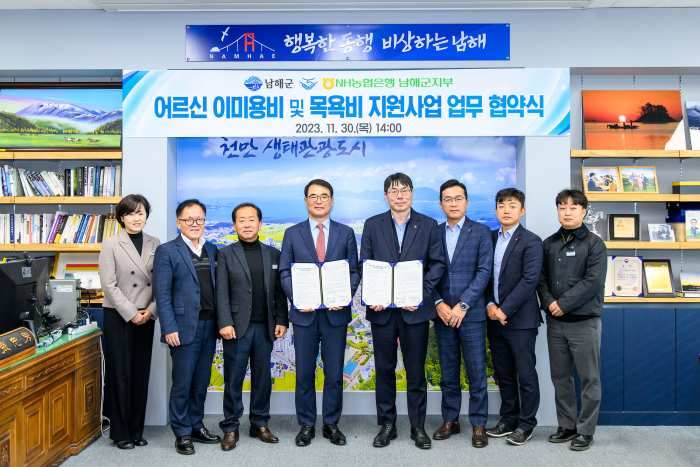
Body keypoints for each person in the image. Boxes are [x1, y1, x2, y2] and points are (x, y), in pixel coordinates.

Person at [360, 173, 446, 450]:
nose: (399, 195)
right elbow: (365, 264)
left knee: (416, 371)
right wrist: (373, 294)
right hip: (382, 311)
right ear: (386, 195)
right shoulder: (373, 225)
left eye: (404, 190)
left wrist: (420, 293)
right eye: (394, 191)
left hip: (415, 310)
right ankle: (387, 425)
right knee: (384, 370)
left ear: (412, 193)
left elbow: (437, 264)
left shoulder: (429, 225)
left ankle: (418, 426)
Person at [279, 179, 360, 447]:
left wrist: (344, 296)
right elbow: (284, 272)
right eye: (313, 196)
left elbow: (354, 271)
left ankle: (331, 424)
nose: (318, 200)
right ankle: (306, 425)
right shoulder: (292, 233)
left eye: (324, 196)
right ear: (306, 201)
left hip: (336, 315)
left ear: (332, 200)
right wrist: (298, 298)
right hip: (305, 315)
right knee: (304, 373)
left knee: (334, 374)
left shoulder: (346, 233)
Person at [538, 189, 607, 452]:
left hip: (584, 322)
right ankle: (566, 426)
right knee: (560, 377)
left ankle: (586, 431)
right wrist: (549, 303)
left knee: (589, 378)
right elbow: (541, 280)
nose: (567, 212)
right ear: (557, 210)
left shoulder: (595, 244)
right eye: (562, 207)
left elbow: (592, 282)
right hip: (556, 322)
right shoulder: (549, 243)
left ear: (583, 211)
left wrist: (562, 304)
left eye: (573, 207)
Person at [216, 203, 289, 451]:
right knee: (233, 379)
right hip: (236, 328)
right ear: (234, 225)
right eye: (241, 220)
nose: (247, 224)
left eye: (251, 220)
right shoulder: (225, 254)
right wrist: (225, 322)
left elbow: (279, 292)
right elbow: (221, 292)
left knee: (263, 379)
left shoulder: (273, 254)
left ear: (260, 223)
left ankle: (260, 423)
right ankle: (230, 426)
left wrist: (282, 319)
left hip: (265, 328)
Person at [154, 199, 221, 455]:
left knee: (201, 381)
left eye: (199, 219)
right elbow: (162, 294)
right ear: (178, 222)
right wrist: (169, 327)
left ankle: (196, 425)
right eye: (189, 219)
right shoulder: (167, 251)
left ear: (204, 221)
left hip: (209, 326)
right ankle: (182, 432)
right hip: (182, 328)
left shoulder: (212, 249)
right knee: (182, 383)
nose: (194, 224)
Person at [432, 179, 493, 448]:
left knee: (476, 372)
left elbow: (484, 271)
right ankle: (450, 420)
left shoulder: (481, 232)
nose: (453, 203)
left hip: (472, 315)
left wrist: (463, 304)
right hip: (443, 314)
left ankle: (479, 424)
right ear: (441, 204)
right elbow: (427, 271)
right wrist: (438, 302)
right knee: (448, 371)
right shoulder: (433, 233)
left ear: (466, 202)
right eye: (448, 199)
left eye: (458, 198)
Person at [98, 194, 160, 450]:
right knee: (120, 373)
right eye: (131, 213)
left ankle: (136, 430)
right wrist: (131, 312)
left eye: (141, 213)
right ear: (122, 217)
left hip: (147, 316)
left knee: (140, 373)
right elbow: (108, 285)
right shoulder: (111, 244)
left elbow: (162, 283)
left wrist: (151, 310)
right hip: (119, 315)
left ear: (146, 216)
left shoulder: (155, 243)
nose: (136, 218)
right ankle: (121, 433)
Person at [484, 188, 543, 446]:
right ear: (496, 209)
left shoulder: (531, 241)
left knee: (525, 374)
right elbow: (484, 274)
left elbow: (530, 280)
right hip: (494, 318)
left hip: (520, 321)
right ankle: (508, 419)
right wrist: (489, 305)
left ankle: (526, 424)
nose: (506, 210)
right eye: (501, 205)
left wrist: (504, 310)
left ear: (522, 210)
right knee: (503, 373)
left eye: (512, 205)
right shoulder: (489, 238)